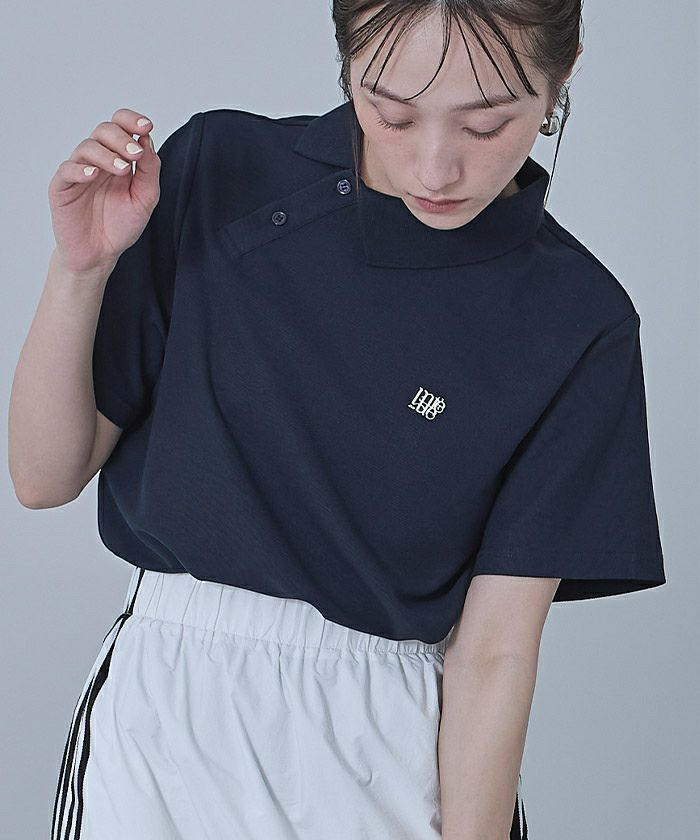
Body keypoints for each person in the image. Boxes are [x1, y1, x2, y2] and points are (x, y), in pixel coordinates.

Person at [9, 2, 666, 839]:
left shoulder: (577, 321)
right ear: (347, 62)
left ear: (561, 74)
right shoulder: (220, 171)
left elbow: (494, 651)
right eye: (392, 113)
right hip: (163, 723)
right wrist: (81, 272)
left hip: (389, 747)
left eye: (486, 125)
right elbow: (42, 477)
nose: (436, 167)